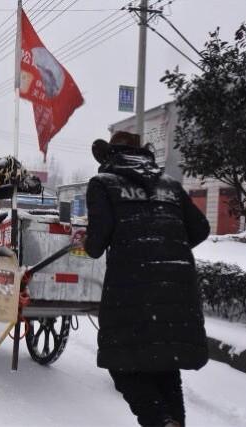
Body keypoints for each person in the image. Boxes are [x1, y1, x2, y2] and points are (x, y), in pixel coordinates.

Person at [74, 131, 210, 427]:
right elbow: (200, 229)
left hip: (131, 291)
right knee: (165, 366)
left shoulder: (103, 184)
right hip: (177, 291)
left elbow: (96, 245)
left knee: (121, 365)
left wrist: (85, 239)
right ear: (145, 154)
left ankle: (161, 421)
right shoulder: (170, 185)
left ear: (111, 155)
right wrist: (164, 244)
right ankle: (171, 422)